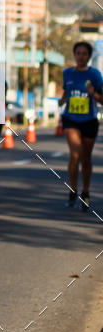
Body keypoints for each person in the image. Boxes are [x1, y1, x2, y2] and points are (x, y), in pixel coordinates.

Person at [59, 41, 103, 210]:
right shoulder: (67, 73)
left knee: (86, 158)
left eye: (84, 53)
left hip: (89, 120)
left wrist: (94, 94)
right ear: (74, 55)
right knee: (75, 154)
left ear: (89, 56)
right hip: (70, 119)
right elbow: (66, 91)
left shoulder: (96, 75)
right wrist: (62, 100)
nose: (81, 56)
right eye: (78, 53)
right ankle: (73, 189)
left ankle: (85, 191)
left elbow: (102, 99)